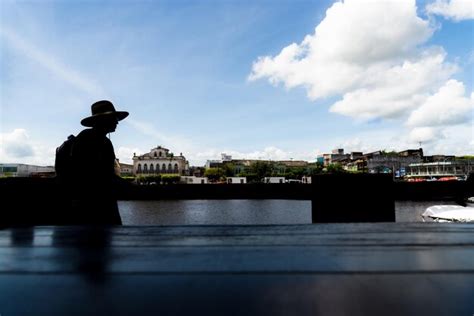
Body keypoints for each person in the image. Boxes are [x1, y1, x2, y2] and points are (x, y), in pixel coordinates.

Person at [68, 100, 129, 225]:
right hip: (95, 205)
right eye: (113, 118)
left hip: (90, 204)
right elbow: (102, 175)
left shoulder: (88, 138)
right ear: (103, 119)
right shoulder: (98, 141)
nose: (117, 122)